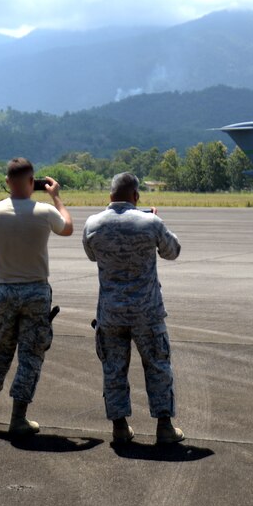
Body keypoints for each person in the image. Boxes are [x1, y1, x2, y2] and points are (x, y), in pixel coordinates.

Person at [0, 158, 73, 437]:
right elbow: (68, 227)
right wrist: (56, 197)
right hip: (36, 290)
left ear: (6, 181)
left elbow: (0, 215)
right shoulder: (46, 212)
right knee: (30, 355)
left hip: (4, 291)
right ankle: (18, 418)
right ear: (32, 181)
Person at [82, 172, 184, 444]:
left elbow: (92, 254)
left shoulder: (93, 224)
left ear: (110, 196)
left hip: (111, 313)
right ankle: (164, 427)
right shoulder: (150, 222)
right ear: (136, 196)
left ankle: (119, 427)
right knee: (158, 368)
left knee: (114, 370)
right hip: (147, 311)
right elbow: (173, 251)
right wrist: (151, 221)